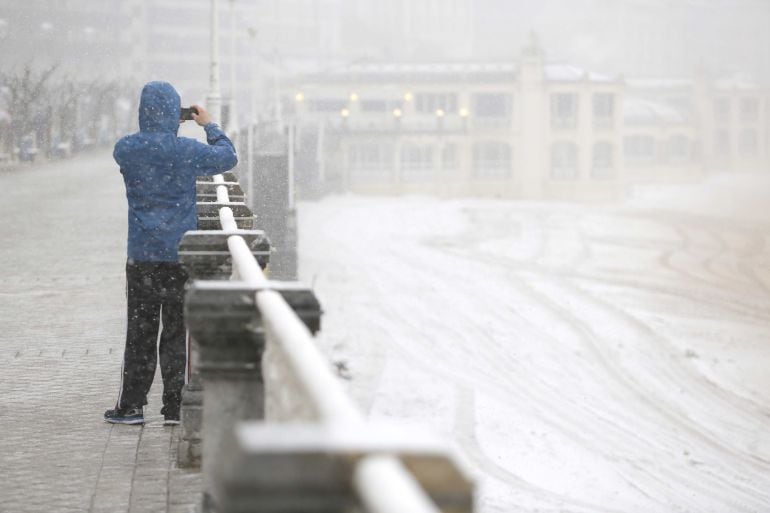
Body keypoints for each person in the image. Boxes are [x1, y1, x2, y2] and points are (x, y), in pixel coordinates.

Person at [104, 81, 237, 425]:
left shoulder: (127, 149)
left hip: (142, 256)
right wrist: (208, 124)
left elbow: (141, 148)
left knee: (140, 333)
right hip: (180, 256)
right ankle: (175, 407)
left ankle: (131, 406)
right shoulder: (187, 151)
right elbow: (227, 156)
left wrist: (161, 129)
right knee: (177, 332)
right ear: (175, 115)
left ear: (142, 112)